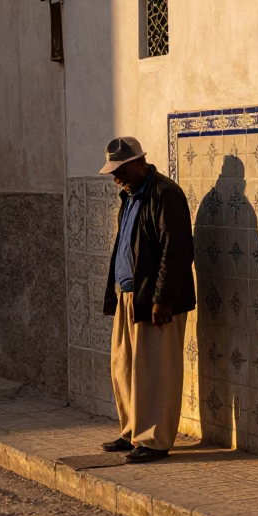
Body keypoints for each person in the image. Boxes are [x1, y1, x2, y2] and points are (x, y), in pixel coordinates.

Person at [98, 136, 195, 463]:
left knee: (155, 371)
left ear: (140, 163)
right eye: (114, 172)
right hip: (129, 296)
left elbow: (176, 250)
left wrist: (162, 299)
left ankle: (154, 440)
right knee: (124, 367)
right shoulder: (130, 196)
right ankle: (132, 431)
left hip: (155, 300)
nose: (116, 177)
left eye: (121, 170)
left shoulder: (165, 194)